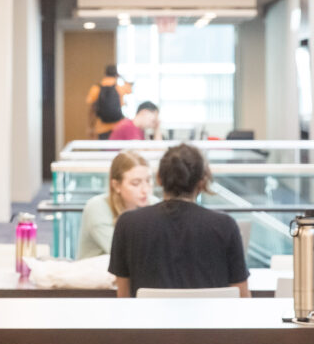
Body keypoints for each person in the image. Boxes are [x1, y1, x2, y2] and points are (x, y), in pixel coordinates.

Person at [108, 144, 249, 297]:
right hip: (210, 320)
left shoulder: (128, 224)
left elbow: (123, 297)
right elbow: (241, 297)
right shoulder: (225, 225)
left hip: (148, 320)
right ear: (202, 181)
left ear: (159, 179)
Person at [77, 150, 151, 259]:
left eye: (148, 181)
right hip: (97, 274)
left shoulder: (153, 203)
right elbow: (123, 255)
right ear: (116, 185)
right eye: (136, 183)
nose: (145, 190)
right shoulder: (97, 208)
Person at [86, 64, 132, 140]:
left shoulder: (96, 88)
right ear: (116, 74)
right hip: (118, 126)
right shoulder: (119, 88)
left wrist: (90, 127)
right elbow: (129, 89)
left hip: (101, 127)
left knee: (104, 150)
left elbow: (91, 110)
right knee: (118, 151)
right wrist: (121, 77)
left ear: (105, 74)